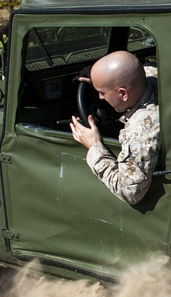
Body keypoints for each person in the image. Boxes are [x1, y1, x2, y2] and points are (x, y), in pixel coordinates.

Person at [69, 50, 161, 204]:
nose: (100, 97)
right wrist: (101, 79)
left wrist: (94, 147)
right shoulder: (152, 75)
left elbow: (130, 192)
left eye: (102, 93)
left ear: (123, 94)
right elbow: (131, 71)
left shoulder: (141, 131)